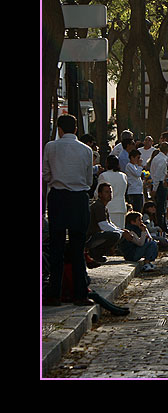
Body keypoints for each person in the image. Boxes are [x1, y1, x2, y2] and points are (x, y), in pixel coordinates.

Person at [43, 114, 95, 306]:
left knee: (56, 246)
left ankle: (54, 293)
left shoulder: (51, 147)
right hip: (78, 198)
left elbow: (46, 174)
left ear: (59, 129)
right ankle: (80, 293)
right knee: (78, 247)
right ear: (76, 129)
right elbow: (89, 180)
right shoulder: (86, 150)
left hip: (58, 196)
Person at [86, 182, 133, 264]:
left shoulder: (104, 207)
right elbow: (103, 225)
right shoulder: (98, 206)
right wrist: (121, 232)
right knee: (116, 235)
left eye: (110, 192)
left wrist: (122, 230)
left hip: (97, 235)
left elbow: (110, 223)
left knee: (121, 233)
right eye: (106, 192)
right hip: (90, 237)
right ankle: (95, 253)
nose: (109, 194)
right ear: (100, 194)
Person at [147, 142, 168, 232]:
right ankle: (161, 226)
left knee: (161, 207)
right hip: (160, 184)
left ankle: (162, 225)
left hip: (158, 183)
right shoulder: (162, 160)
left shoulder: (157, 158)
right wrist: (155, 188)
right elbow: (158, 175)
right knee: (161, 207)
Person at [124, 149, 145, 213]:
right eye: (137, 158)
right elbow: (137, 174)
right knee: (136, 210)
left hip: (138, 191)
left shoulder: (134, 166)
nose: (139, 160)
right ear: (132, 157)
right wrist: (140, 166)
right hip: (133, 191)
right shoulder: (129, 166)